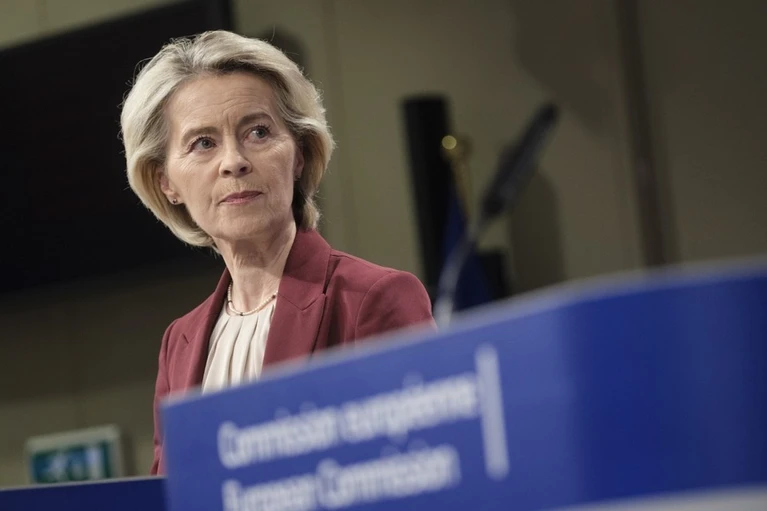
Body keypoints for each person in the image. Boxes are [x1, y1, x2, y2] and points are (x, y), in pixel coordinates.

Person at [120, 30, 435, 475]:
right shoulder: (179, 342)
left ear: (299, 155)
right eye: (203, 143)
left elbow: (421, 471)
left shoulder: (371, 299)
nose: (234, 161)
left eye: (258, 132)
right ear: (166, 182)